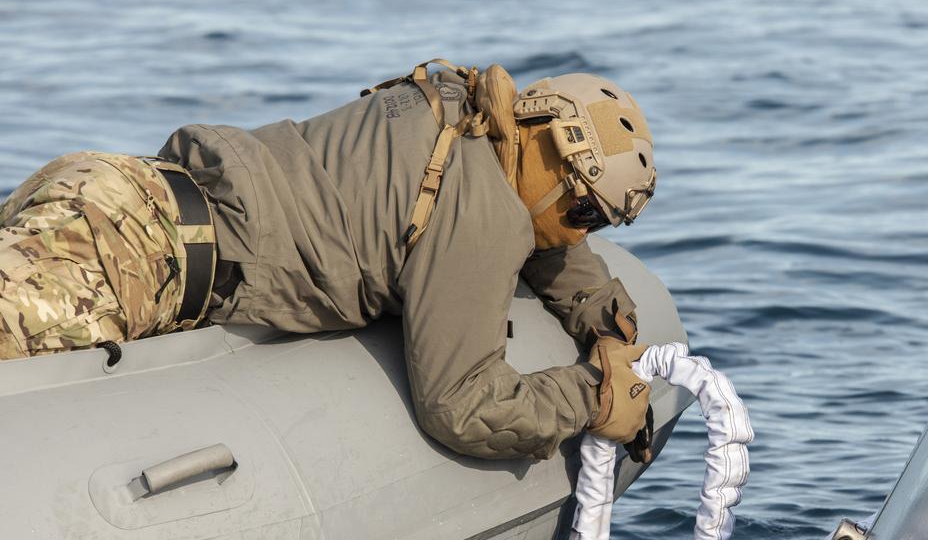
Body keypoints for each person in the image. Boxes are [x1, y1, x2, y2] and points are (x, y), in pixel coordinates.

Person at [0, 59, 657, 460]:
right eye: (587, 213)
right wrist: (593, 397)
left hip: (104, 187)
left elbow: (541, 226)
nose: (581, 235)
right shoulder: (480, 216)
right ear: (559, 163)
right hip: (130, 257)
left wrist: (603, 315)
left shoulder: (464, 105)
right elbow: (460, 405)